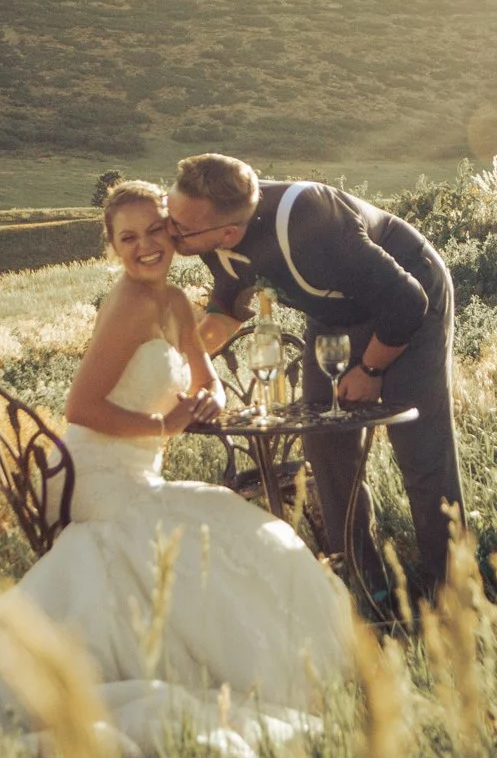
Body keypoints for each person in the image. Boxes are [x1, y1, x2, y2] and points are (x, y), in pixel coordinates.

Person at [0, 180, 353, 758]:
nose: (145, 246)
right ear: (113, 247)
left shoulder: (174, 301)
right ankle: (236, 678)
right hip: (96, 474)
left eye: (155, 230)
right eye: (129, 237)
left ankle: (292, 671)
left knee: (240, 528)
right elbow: (83, 407)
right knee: (227, 530)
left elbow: (208, 380)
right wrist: (165, 421)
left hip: (140, 471)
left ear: (174, 231)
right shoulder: (125, 305)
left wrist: (205, 401)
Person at [163, 153, 466, 613]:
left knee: (420, 446)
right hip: (334, 316)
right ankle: (369, 590)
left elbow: (406, 299)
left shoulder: (311, 219)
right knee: (325, 446)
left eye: (180, 227)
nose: (170, 231)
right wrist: (179, 364)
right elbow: (227, 306)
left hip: (409, 298)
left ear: (226, 230)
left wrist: (371, 370)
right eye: (171, 215)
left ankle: (452, 591)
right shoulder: (204, 233)